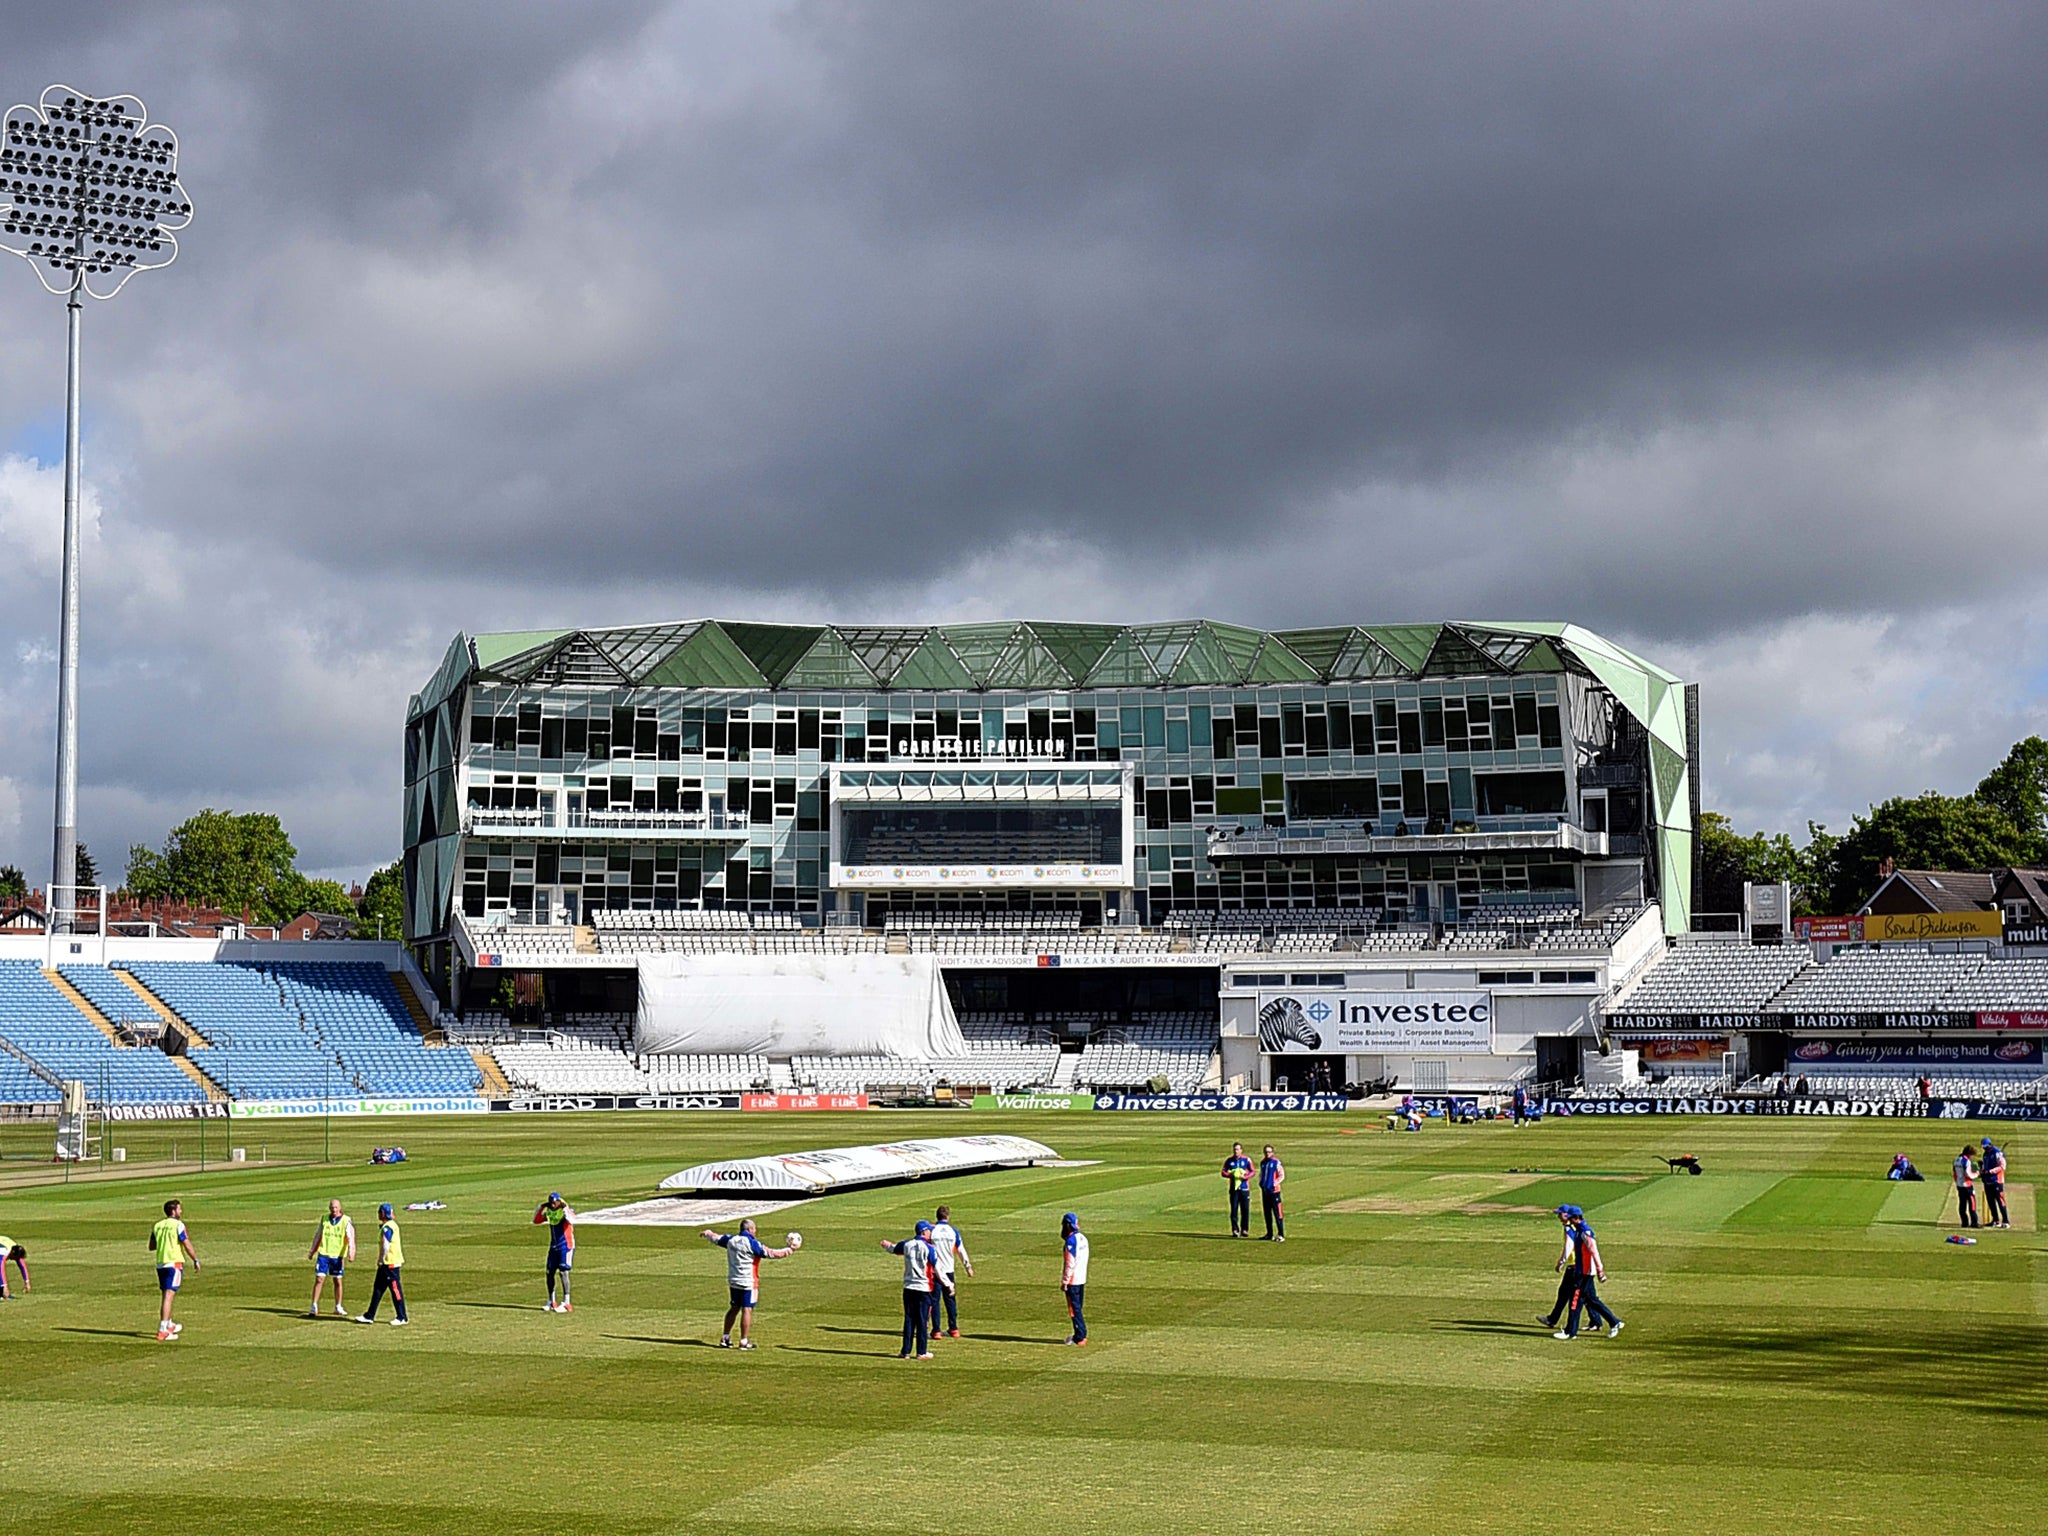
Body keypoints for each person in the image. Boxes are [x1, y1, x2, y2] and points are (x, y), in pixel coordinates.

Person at [704, 1218, 794, 1348]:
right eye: (754, 1229)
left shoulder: (731, 1240)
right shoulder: (752, 1243)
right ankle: (744, 1341)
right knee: (747, 1309)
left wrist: (707, 1233)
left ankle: (725, 1338)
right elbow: (771, 1253)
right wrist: (790, 1250)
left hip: (734, 1280)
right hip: (749, 1282)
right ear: (750, 1229)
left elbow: (716, 1238)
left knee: (734, 1308)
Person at [1556, 1216, 1623, 1340]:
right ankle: (1614, 1322)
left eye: (1571, 1218)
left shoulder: (1585, 1232)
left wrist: (1600, 1270)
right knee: (1591, 1300)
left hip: (1585, 1273)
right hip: (1582, 1271)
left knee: (1575, 1301)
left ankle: (1570, 1332)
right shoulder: (1579, 1230)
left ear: (1576, 1218)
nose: (1568, 1221)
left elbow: (1594, 1251)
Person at [881, 1220, 937, 1359]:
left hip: (909, 1287)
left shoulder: (907, 1244)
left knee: (909, 1319)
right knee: (922, 1320)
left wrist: (886, 1245)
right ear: (924, 1232)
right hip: (923, 1288)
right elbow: (937, 1267)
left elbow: (894, 1248)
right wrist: (948, 1284)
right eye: (929, 1230)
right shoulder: (929, 1248)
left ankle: (905, 1351)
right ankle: (921, 1352)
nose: (931, 1233)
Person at [151, 1198, 199, 1342]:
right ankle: (163, 1329)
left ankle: (169, 1323)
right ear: (173, 1211)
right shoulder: (178, 1225)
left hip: (161, 1263)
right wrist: (195, 1259)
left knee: (166, 1294)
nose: (181, 1211)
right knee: (168, 1295)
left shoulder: (158, 1225)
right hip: (174, 1263)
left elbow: (152, 1246)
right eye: (179, 1209)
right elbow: (186, 1243)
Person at [307, 1198, 356, 1317]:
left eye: (336, 1207)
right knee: (319, 1279)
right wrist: (312, 1251)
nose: (334, 1210)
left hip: (337, 1256)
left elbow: (351, 1237)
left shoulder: (346, 1220)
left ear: (340, 1208)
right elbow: (318, 1235)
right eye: (332, 1207)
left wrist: (351, 1252)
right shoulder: (324, 1219)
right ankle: (314, 1305)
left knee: (337, 1280)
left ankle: (338, 1306)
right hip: (324, 1254)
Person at [929, 1205, 973, 1337]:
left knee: (935, 1301)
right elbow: (961, 1250)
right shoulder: (953, 1231)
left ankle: (936, 1330)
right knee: (950, 1300)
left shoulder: (932, 1231)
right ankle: (953, 1328)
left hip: (935, 1270)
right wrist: (968, 1267)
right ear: (948, 1216)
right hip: (948, 1269)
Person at [1538, 1205, 1583, 1329]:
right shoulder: (1574, 1227)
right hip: (1578, 1265)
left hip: (1574, 1266)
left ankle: (1553, 1320)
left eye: (1560, 1214)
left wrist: (1560, 1263)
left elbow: (1569, 1247)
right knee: (1584, 1295)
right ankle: (1596, 1321)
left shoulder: (1569, 1228)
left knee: (1568, 1294)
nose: (1558, 1217)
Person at [535, 1192, 576, 1311]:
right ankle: (551, 1301)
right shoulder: (550, 1212)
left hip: (566, 1245)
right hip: (554, 1246)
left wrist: (565, 1208)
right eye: (551, 1203)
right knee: (549, 1272)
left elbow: (572, 1219)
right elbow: (536, 1220)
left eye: (554, 1202)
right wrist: (541, 1207)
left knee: (563, 1272)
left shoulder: (564, 1211)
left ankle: (566, 1302)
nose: (552, 1205)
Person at [1060, 1211, 1090, 1345]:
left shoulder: (1071, 1242)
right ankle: (1080, 1334)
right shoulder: (1083, 1238)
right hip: (1082, 1278)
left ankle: (1080, 1336)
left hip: (1073, 1280)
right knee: (1078, 1307)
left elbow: (1069, 1263)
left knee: (1074, 1309)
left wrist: (1065, 1281)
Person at [1222, 1142, 1254, 1237]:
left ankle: (1244, 1229)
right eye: (1235, 1149)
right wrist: (1230, 1175)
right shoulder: (1229, 1160)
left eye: (1238, 1149)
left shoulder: (1246, 1160)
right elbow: (1223, 1172)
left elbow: (1252, 1171)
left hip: (1244, 1188)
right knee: (1234, 1209)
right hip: (1234, 1189)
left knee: (1245, 1210)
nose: (1236, 1151)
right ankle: (1235, 1230)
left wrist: (1246, 1177)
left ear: (1241, 1150)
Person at [1980, 1139, 2010, 1229]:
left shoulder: (1998, 1153)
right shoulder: (1985, 1154)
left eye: (1986, 1146)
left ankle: (2005, 1221)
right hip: (1987, 1181)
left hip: (1997, 1181)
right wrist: (1983, 1170)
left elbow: (2002, 1167)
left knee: (2000, 1201)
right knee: (1991, 1202)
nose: (1984, 1148)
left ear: (1990, 1144)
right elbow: (1985, 1166)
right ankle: (1996, 1220)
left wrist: (1990, 1171)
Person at [1258, 1144, 1286, 1241]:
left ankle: (1281, 1234)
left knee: (1277, 1213)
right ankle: (1269, 1234)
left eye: (1269, 1152)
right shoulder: (1263, 1163)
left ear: (1272, 1153)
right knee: (1267, 1213)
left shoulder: (1276, 1162)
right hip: (1265, 1191)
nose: (1267, 1154)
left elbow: (1282, 1175)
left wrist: (1274, 1183)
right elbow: (1261, 1174)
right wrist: (1261, 1183)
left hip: (1274, 1192)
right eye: (1266, 1152)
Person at [1952, 1145, 1980, 1229]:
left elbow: (1954, 1173)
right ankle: (1974, 1222)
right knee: (1972, 1204)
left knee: (1962, 1204)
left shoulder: (1956, 1160)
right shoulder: (1966, 1161)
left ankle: (1964, 1222)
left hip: (1959, 1185)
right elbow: (1968, 1174)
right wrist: (1977, 1174)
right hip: (1967, 1185)